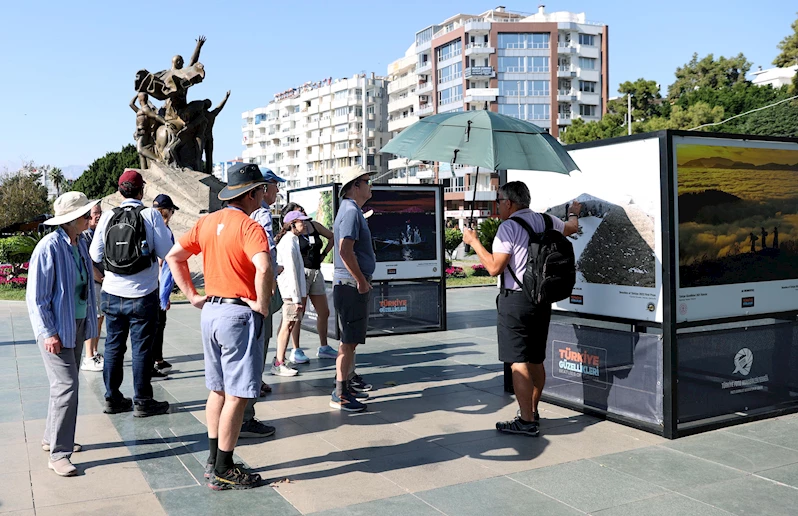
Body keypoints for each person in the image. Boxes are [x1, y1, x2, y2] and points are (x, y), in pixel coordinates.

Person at [166, 162, 273, 490]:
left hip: (211, 311)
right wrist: (262, 304)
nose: (263, 196)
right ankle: (225, 466)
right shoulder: (250, 227)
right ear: (252, 193)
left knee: (218, 390)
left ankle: (214, 459)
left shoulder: (207, 222)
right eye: (261, 191)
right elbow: (264, 267)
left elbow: (174, 256)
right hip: (238, 315)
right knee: (239, 396)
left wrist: (193, 296)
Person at [462, 181, 581, 437]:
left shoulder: (508, 228)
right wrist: (574, 212)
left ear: (508, 203)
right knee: (536, 359)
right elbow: (572, 228)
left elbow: (495, 267)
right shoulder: (546, 220)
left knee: (518, 362)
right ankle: (532, 411)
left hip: (515, 301)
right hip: (541, 298)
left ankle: (526, 421)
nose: (497, 206)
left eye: (498, 202)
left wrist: (473, 242)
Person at [27, 192, 100, 476]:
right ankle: (59, 453)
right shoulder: (49, 247)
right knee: (66, 387)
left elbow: (86, 277)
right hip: (56, 330)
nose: (90, 218)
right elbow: (37, 297)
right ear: (71, 219)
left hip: (77, 324)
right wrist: (48, 332)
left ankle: (51, 438)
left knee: (63, 387)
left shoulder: (79, 243)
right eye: (86, 215)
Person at [89, 170, 172, 418]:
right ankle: (143, 401)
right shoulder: (150, 215)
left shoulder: (107, 218)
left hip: (112, 293)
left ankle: (112, 398)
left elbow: (95, 255)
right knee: (142, 349)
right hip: (143, 294)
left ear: (119, 190)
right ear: (141, 190)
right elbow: (167, 252)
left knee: (113, 346)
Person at [240, 167, 285, 438]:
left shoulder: (241, 215)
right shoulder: (264, 213)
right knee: (257, 351)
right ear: (263, 189)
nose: (277, 191)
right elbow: (264, 253)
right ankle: (246, 417)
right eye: (275, 186)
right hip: (259, 293)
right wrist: (273, 269)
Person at [330, 166, 376, 412]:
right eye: (367, 181)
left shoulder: (351, 210)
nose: (371, 185)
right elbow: (345, 250)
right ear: (355, 185)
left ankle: (344, 387)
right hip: (350, 285)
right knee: (348, 343)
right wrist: (360, 280)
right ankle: (340, 393)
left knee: (350, 342)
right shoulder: (349, 211)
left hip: (349, 284)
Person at [279, 202, 335, 362]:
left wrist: (324, 254)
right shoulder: (290, 238)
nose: (303, 216)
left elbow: (331, 236)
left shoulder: (313, 226)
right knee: (298, 313)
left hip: (316, 271)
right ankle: (296, 350)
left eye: (303, 212)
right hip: (301, 273)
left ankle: (324, 347)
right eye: (299, 214)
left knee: (324, 311)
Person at [270, 211, 309, 376]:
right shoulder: (289, 242)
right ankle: (279, 362)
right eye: (302, 222)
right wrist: (296, 297)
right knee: (288, 324)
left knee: (287, 324)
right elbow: (291, 272)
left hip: (290, 291)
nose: (305, 224)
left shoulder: (291, 240)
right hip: (290, 292)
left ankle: (279, 359)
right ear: (292, 224)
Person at [151, 194, 179, 378]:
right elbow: (167, 263)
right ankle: (154, 362)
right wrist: (165, 295)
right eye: (171, 210)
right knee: (157, 325)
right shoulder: (165, 231)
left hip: (149, 283)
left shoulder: (149, 227)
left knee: (155, 325)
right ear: (166, 212)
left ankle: (157, 359)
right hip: (159, 284)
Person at [81, 202, 105, 372]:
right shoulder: (85, 236)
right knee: (93, 318)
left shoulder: (99, 233)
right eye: (95, 213)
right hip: (94, 283)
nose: (98, 216)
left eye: (100, 212)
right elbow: (89, 262)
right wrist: (102, 279)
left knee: (100, 317)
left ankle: (95, 351)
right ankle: (88, 356)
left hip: (102, 282)